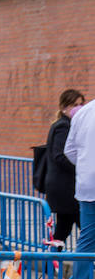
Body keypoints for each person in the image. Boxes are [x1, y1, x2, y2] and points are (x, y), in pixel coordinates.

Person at [43, 90, 85, 252]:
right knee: (88, 231)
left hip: (66, 190)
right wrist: (82, 166)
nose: (78, 108)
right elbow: (61, 156)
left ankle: (47, 270)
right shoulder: (63, 127)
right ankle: (83, 271)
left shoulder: (65, 125)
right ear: (64, 107)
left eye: (81, 104)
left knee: (62, 231)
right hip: (66, 190)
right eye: (75, 105)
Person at [64, 94, 95, 279]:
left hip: (88, 186)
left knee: (86, 240)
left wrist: (86, 167)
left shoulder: (83, 113)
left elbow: (70, 151)